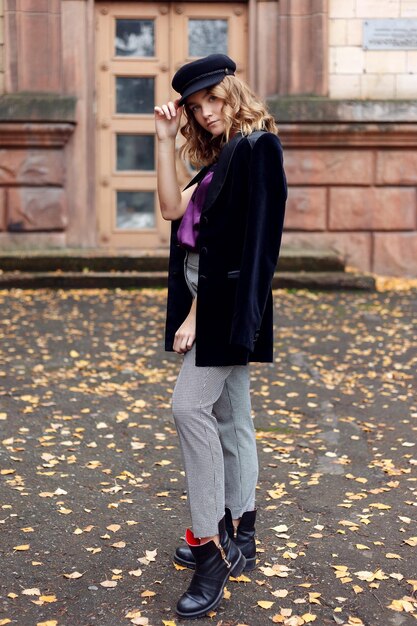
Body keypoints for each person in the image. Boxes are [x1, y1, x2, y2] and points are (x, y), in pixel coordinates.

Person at [154, 53, 287, 619]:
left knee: (189, 409)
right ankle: (242, 535)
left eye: (214, 99)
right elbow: (167, 209)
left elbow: (237, 246)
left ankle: (210, 548)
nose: (207, 113)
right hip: (215, 307)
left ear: (235, 91)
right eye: (195, 106)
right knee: (233, 419)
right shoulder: (217, 160)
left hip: (227, 309)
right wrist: (164, 140)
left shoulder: (257, 149)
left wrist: (197, 318)